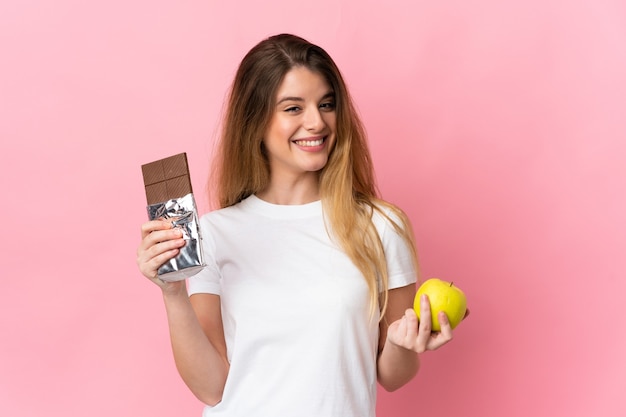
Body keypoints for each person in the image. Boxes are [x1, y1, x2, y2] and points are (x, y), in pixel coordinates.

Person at [137, 33, 459, 417]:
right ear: (255, 121)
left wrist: (407, 344)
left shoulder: (381, 226)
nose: (316, 122)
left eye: (326, 104)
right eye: (293, 108)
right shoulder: (216, 233)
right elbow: (211, 387)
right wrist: (172, 293)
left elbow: (393, 375)